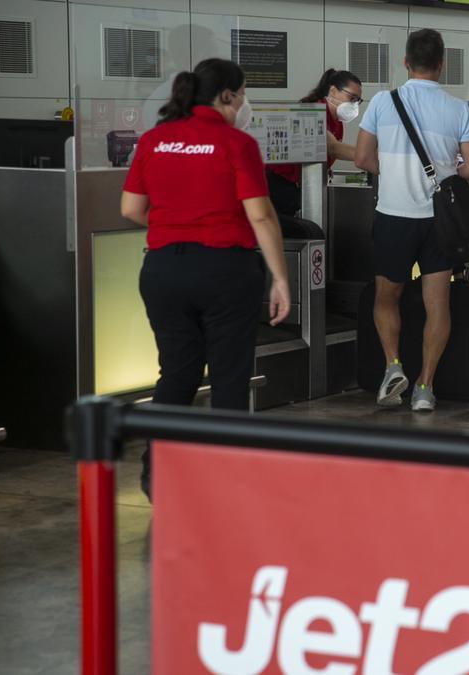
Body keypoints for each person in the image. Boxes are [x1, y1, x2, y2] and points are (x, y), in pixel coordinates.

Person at [120, 58, 292, 500]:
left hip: (162, 269)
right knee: (229, 376)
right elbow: (260, 214)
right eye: (243, 93)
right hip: (225, 271)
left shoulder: (154, 140)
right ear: (228, 96)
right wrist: (280, 278)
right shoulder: (236, 143)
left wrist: (177, 228)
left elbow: (131, 209)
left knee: (176, 372)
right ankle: (225, 478)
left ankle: (157, 472)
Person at [354, 28, 469, 412]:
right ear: (442, 65)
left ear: (406, 62)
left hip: (394, 216)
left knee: (386, 297)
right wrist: (446, 173)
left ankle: (393, 366)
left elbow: (362, 159)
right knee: (437, 303)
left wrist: (394, 172)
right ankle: (425, 386)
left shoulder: (382, 102)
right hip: (439, 222)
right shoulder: (457, 108)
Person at [267, 69, 364, 215]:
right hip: (277, 183)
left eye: (358, 101)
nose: (355, 105)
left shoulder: (336, 122)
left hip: (298, 184)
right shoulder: (312, 112)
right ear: (333, 91)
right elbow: (332, 147)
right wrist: (369, 156)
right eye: (352, 98)